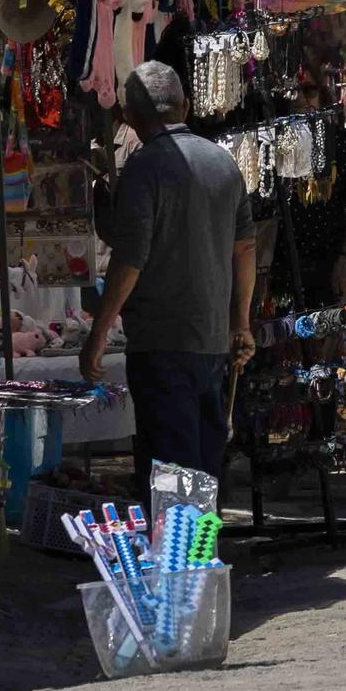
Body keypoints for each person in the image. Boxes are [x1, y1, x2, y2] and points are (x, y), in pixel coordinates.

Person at [81, 62, 256, 482]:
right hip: (212, 343)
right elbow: (245, 248)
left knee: (170, 473)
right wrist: (241, 324)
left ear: (133, 118)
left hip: (161, 346)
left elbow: (129, 260)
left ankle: (179, 549)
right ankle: (200, 547)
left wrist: (99, 334)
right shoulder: (224, 163)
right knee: (203, 467)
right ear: (188, 107)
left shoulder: (145, 167)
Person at [284, 65, 346, 308]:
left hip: (331, 262)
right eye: (292, 92)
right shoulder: (273, 143)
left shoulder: (339, 141)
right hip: (283, 267)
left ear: (322, 96)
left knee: (327, 340)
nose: (300, 99)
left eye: (308, 90)